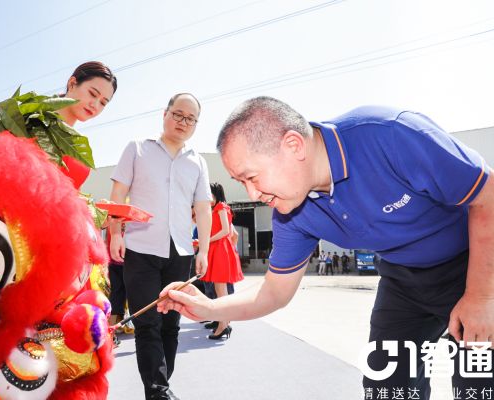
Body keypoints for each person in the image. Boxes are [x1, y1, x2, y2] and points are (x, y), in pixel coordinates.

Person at [157, 97, 494, 399]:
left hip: (476, 266)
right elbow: (274, 292)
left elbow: (488, 195)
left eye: (252, 177)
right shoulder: (291, 212)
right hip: (403, 282)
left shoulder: (387, 134)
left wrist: (481, 297)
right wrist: (209, 309)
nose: (253, 194)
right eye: (241, 183)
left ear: (293, 145)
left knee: (478, 382)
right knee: (387, 386)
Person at [109, 93, 212, 400]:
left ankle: (161, 388)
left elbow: (203, 208)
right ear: (165, 114)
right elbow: (118, 194)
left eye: (190, 119)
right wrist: (116, 233)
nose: (183, 123)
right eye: (178, 115)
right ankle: (157, 392)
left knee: (171, 324)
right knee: (147, 323)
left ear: (196, 124)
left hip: (179, 252)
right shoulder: (137, 148)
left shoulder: (197, 161)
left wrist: (203, 249)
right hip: (140, 248)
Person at [200, 182, 244, 340]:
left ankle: (223, 325)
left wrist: (206, 240)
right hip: (218, 248)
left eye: (209, 194)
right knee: (220, 290)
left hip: (220, 249)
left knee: (221, 290)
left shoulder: (221, 208)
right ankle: (223, 323)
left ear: (215, 194)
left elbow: (226, 231)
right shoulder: (219, 208)